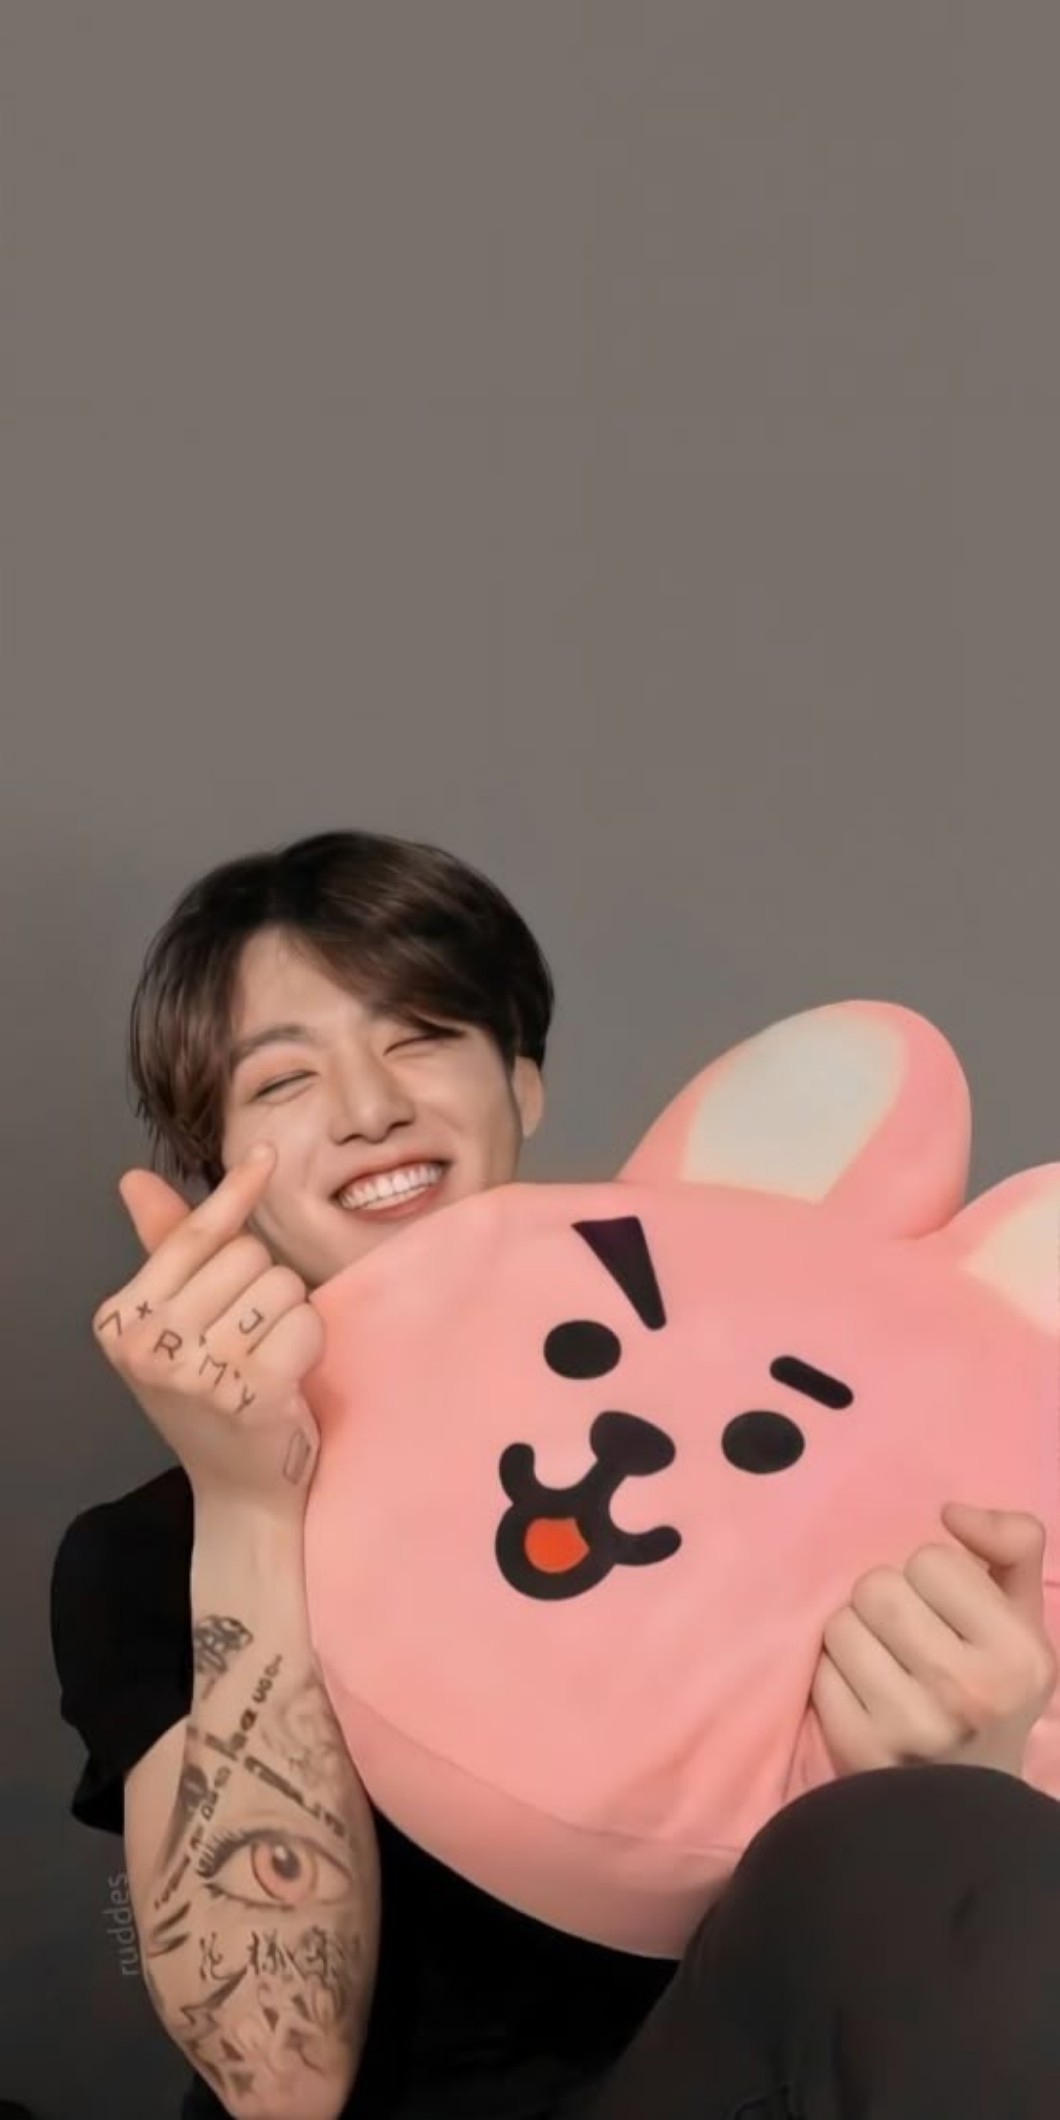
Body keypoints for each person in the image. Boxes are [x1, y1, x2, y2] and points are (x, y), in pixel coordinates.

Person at [50, 829, 1060, 2120]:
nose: (369, 1108)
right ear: (215, 1167)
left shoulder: (815, 1461)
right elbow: (274, 2072)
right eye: (283, 1080)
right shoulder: (149, 1548)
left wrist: (972, 1775)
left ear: (520, 1085)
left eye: (421, 1037)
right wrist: (250, 1508)